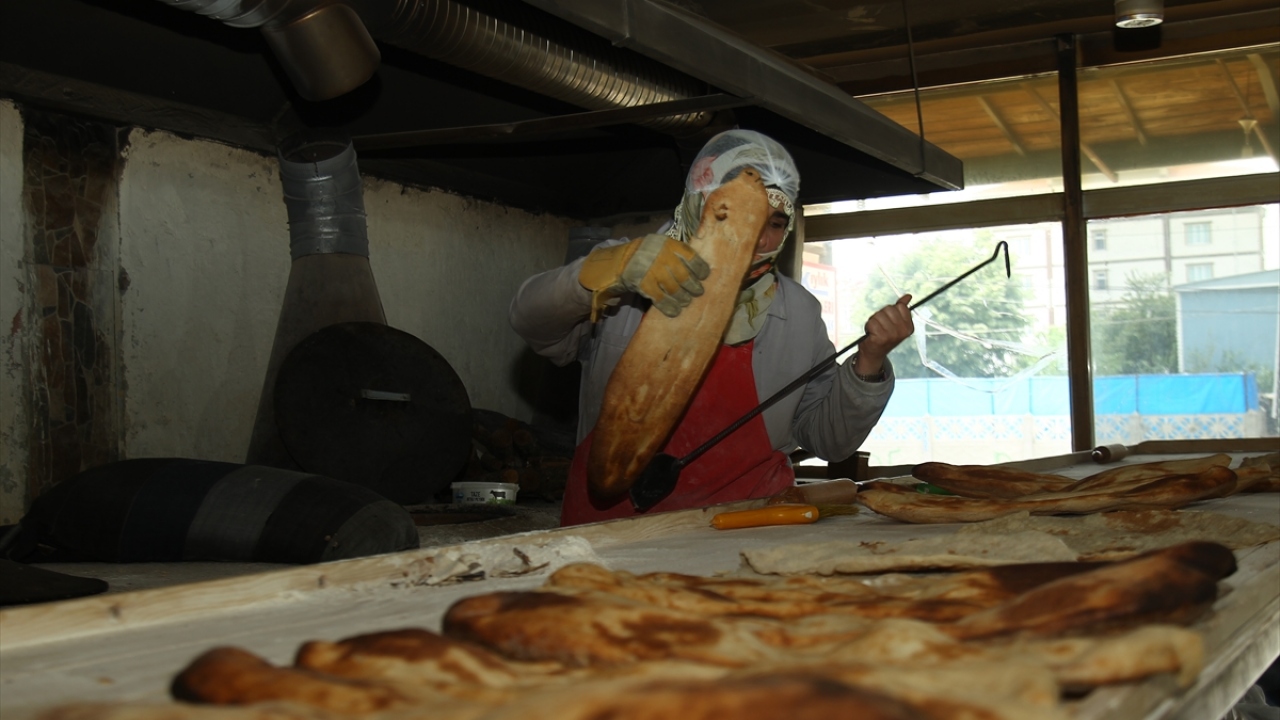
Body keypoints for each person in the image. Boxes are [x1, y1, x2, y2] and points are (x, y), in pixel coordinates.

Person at [509, 129, 914, 526]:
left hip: (745, 528)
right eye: (733, 214)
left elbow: (830, 440)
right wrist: (608, 270)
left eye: (773, 222)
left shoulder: (799, 313)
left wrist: (871, 362)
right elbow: (530, 322)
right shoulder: (628, 272)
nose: (755, 238)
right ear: (695, 203)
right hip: (609, 529)